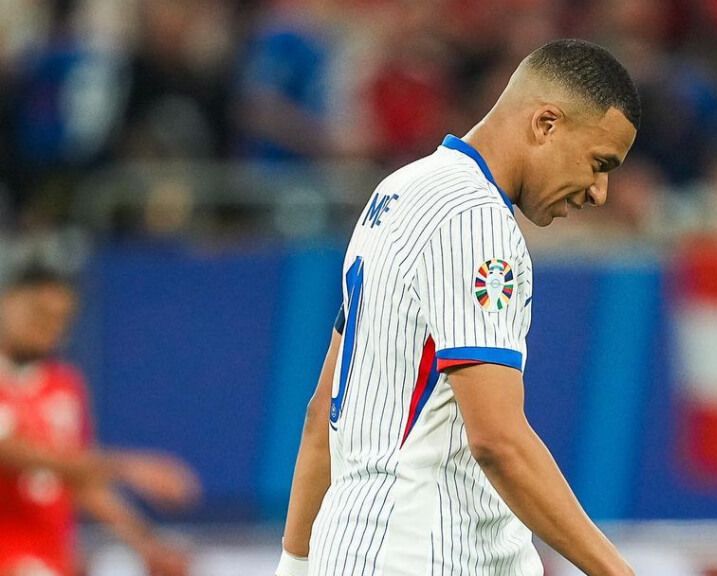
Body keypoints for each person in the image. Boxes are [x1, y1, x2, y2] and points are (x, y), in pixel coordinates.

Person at [277, 39, 640, 576]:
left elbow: (320, 416)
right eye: (599, 162)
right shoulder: (474, 220)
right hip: (421, 555)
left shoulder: (397, 192)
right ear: (546, 124)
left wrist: (294, 564)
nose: (599, 192)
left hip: (364, 548)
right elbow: (498, 440)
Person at [0, 266, 202, 576]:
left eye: (61, 319)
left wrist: (147, 543)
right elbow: (15, 453)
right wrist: (128, 466)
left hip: (52, 559)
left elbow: (81, 478)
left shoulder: (64, 384)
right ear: (7, 303)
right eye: (39, 313)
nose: (49, 328)